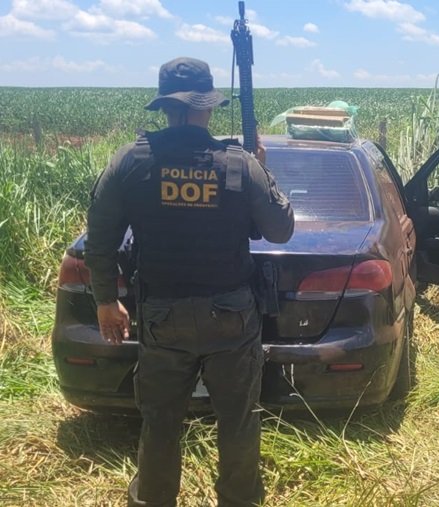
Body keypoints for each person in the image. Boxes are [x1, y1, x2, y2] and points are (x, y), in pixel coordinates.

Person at [84, 57, 295, 507]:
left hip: (162, 316)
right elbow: (280, 230)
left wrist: (105, 301)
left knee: (160, 422)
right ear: (208, 107)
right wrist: (263, 169)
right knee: (238, 421)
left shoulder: (130, 161)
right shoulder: (239, 164)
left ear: (164, 106)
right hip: (231, 316)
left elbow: (99, 240)